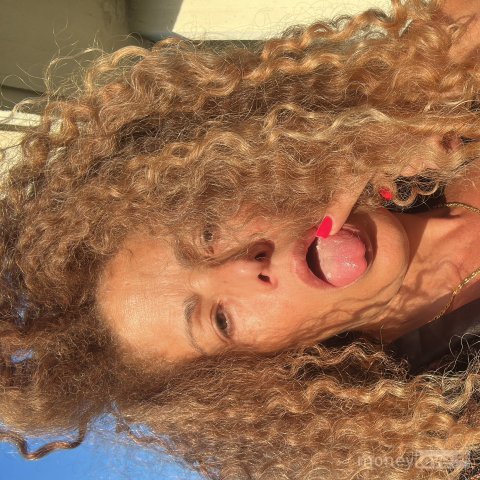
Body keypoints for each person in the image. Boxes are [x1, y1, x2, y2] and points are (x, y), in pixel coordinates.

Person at [2, 0, 480, 478]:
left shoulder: (440, 89)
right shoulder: (453, 425)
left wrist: (412, 100)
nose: (245, 265)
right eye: (221, 319)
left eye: (207, 234)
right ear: (256, 376)